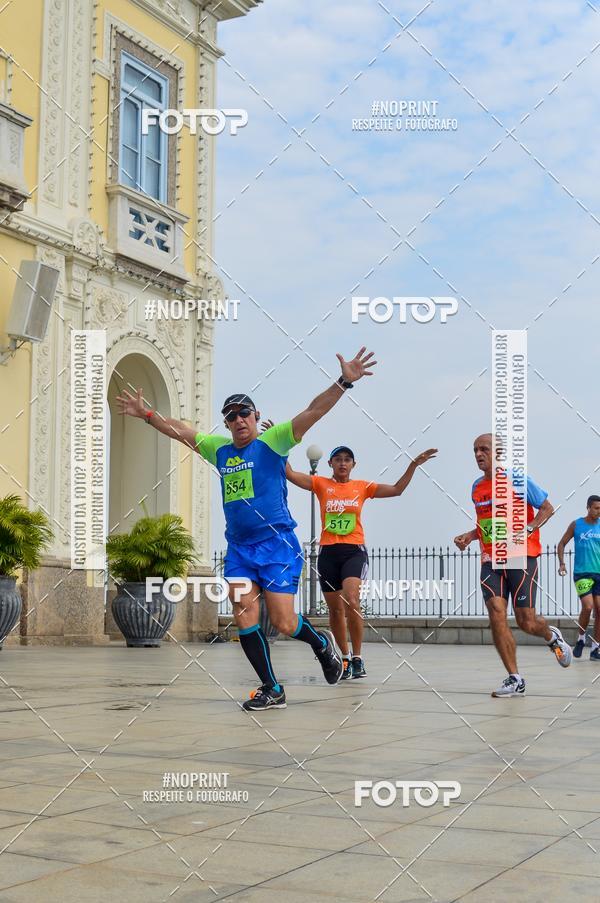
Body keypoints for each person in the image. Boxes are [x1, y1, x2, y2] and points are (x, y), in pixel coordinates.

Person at [116, 347, 377, 711]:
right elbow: (181, 432)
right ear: (226, 424)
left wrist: (345, 381)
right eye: (231, 416)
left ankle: (320, 644)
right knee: (244, 617)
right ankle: (272, 688)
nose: (238, 420)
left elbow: (313, 412)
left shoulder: (273, 442)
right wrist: (146, 414)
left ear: (257, 417)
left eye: (244, 413)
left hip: (277, 545)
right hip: (239, 549)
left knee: (285, 622)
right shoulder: (219, 449)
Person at [286, 446, 437, 679]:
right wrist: (280, 446)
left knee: (352, 599)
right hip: (328, 553)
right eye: (338, 460)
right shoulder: (320, 484)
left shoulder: (362, 487)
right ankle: (344, 659)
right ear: (330, 464)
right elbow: (291, 474)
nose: (343, 464)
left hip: (353, 551)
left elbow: (397, 490)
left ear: (353, 464)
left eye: (347, 460)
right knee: (335, 610)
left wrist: (413, 465)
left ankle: (358, 658)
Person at [454, 433, 571, 698]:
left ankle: (550, 635)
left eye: (484, 449)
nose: (478, 454)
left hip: (521, 557)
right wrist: (469, 536)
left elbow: (547, 508)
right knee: (496, 612)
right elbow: (485, 524)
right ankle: (515, 678)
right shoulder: (476, 487)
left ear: (498, 452)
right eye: (475, 450)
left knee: (527, 622)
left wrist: (529, 527)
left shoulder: (518, 480)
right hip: (490, 560)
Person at [557, 495, 600, 660]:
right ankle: (581, 639)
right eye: (596, 508)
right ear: (588, 507)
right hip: (582, 573)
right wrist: (562, 563)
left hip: (599, 573)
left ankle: (596, 648)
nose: (599, 511)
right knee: (588, 607)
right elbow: (561, 543)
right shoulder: (577, 524)